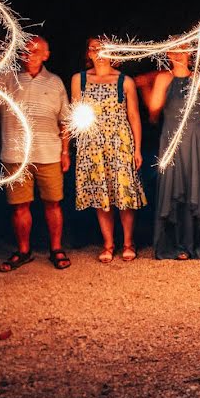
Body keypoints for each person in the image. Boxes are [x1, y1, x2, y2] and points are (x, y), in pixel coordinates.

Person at [0, 36, 72, 272]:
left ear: (46, 55)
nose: (31, 54)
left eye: (37, 50)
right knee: (20, 205)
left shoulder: (55, 82)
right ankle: (23, 251)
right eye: (26, 50)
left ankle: (56, 249)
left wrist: (65, 151)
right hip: (16, 154)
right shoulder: (7, 79)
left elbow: (65, 122)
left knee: (53, 203)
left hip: (48, 153)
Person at [144, 45, 200, 260]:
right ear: (168, 55)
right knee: (175, 189)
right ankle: (178, 245)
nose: (179, 54)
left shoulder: (199, 78)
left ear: (190, 54)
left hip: (196, 141)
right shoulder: (163, 79)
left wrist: (192, 125)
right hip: (172, 140)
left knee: (196, 186)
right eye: (174, 51)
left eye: (183, 50)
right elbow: (154, 108)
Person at [72, 38, 147, 263]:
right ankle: (108, 244)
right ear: (89, 53)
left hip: (120, 142)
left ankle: (128, 242)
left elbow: (133, 116)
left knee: (123, 193)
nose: (99, 52)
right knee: (100, 193)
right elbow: (74, 112)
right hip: (92, 143)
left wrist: (138, 149)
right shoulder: (79, 79)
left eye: (104, 48)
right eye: (94, 48)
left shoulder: (125, 81)